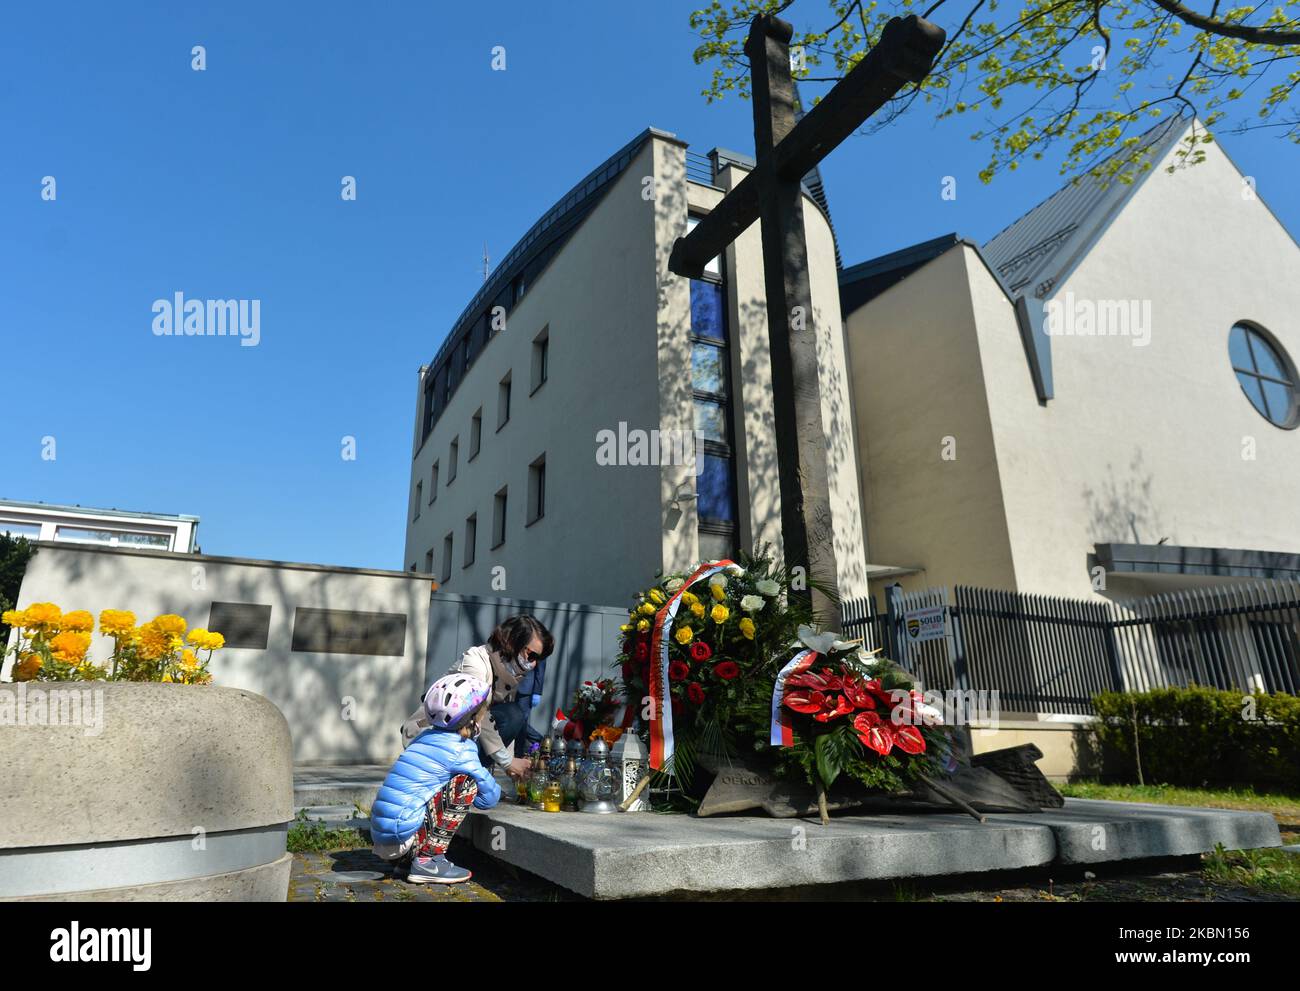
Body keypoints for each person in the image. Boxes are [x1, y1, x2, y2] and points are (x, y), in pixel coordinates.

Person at [372, 673, 501, 884]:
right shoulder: (460, 748)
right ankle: (427, 861)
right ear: (473, 717)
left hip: (383, 838)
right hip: (401, 836)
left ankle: (407, 862)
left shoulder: (424, 737)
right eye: (482, 713)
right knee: (466, 784)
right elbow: (489, 799)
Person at [401, 615, 554, 782]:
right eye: (531, 655)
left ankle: (469, 779)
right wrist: (508, 762)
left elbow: (506, 724)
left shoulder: (510, 673)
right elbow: (482, 716)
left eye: (538, 659)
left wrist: (510, 767)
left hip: (460, 741)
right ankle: (456, 778)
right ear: (512, 642)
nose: (533, 664)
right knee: (513, 714)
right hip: (431, 740)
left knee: (513, 714)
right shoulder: (476, 661)